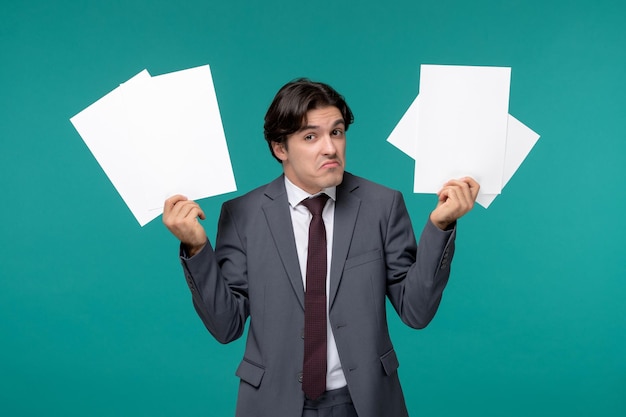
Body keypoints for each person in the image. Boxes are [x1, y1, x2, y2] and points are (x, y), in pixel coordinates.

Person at [163, 78, 480, 417]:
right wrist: (196, 247)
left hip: (363, 402)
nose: (330, 148)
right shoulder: (242, 215)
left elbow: (416, 311)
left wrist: (440, 225)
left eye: (337, 132)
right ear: (279, 148)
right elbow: (226, 326)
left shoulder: (382, 205)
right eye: (311, 136)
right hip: (273, 403)